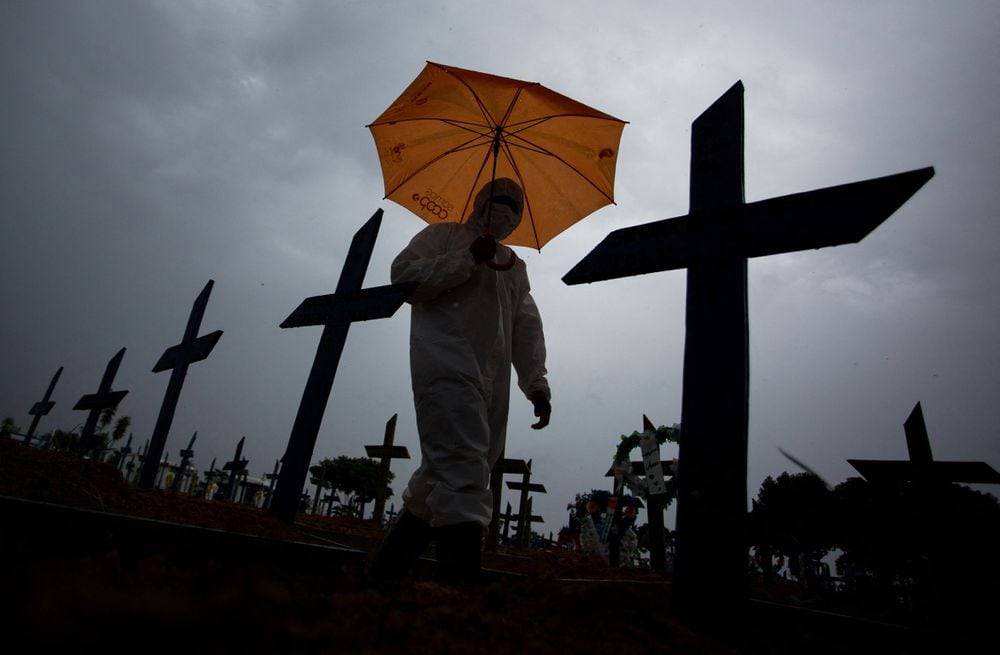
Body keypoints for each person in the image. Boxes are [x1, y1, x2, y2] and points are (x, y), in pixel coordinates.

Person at [368, 178, 551, 588]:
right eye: (499, 201)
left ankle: (382, 577)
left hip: (492, 379)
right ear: (480, 202)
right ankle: (460, 593)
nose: (506, 211)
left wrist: (536, 383)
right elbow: (405, 280)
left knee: (446, 475)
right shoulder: (442, 236)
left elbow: (526, 327)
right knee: (463, 465)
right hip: (444, 362)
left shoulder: (514, 266)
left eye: (514, 207)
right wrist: (467, 258)